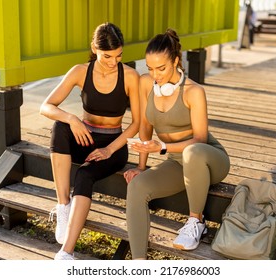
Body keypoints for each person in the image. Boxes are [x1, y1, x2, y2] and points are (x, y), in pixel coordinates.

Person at [123, 29, 230, 259]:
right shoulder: (145, 83)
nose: (155, 75)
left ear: (176, 61)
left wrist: (161, 147)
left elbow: (200, 139)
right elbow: (145, 125)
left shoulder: (194, 92)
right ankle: (138, 262)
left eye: (161, 68)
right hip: (176, 162)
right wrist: (141, 166)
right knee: (136, 187)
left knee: (192, 152)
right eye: (150, 68)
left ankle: (195, 222)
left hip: (210, 160)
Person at [40, 22, 140, 260]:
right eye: (107, 56)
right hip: (85, 136)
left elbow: (136, 124)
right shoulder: (79, 71)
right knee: (60, 126)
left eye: (118, 56)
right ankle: (64, 206)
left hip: (113, 144)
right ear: (94, 48)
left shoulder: (130, 76)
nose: (113, 61)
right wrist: (72, 118)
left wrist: (108, 150)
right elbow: (46, 106)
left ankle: (66, 253)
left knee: (83, 175)